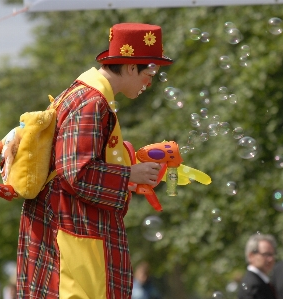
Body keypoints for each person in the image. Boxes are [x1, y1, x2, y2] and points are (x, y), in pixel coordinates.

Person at [15, 23, 173, 298]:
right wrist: (129, 175)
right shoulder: (92, 101)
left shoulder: (82, 95)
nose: (152, 79)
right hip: (72, 232)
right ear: (130, 66)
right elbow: (76, 172)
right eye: (151, 71)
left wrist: (131, 170)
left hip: (69, 228)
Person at [237, 233, 277, 299]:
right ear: (251, 256)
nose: (271, 259)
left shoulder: (260, 282)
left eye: (272, 255)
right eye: (266, 254)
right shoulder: (253, 286)